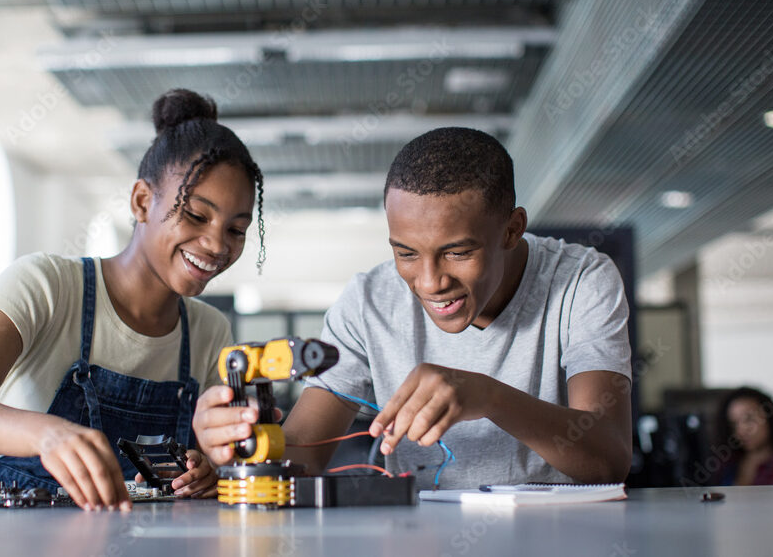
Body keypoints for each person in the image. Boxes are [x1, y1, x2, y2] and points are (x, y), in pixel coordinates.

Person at [193, 127, 632, 490]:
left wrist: (488, 396)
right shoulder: (368, 303)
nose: (429, 282)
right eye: (405, 254)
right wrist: (246, 445)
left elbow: (610, 458)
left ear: (512, 229)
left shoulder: (581, 281)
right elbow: (305, 451)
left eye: (458, 253)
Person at [0, 89, 265, 509]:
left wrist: (204, 469)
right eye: (196, 215)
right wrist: (47, 434)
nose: (216, 244)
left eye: (236, 229)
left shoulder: (210, 330)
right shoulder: (46, 284)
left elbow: (208, 452)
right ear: (141, 201)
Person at [715, 387, 773, 485]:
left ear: (770, 417)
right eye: (734, 424)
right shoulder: (728, 464)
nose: (741, 430)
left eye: (749, 419)